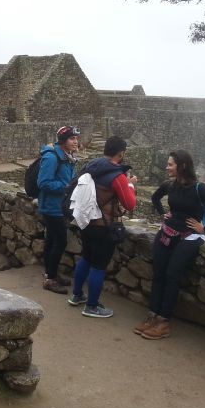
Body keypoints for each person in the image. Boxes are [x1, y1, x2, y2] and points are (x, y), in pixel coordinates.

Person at [133, 150, 205, 339]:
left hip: (189, 237)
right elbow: (155, 198)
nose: (167, 167)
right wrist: (162, 213)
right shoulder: (169, 186)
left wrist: (203, 227)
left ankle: (163, 322)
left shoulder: (200, 189)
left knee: (172, 275)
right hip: (168, 232)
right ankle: (152, 316)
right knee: (159, 273)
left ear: (182, 166)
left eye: (170, 164)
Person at [68, 136, 136, 318]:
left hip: (86, 222)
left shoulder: (91, 166)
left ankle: (76, 295)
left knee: (86, 258)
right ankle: (92, 306)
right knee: (98, 266)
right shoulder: (117, 176)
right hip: (103, 226)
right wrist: (130, 184)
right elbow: (130, 204)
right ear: (121, 153)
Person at [37, 126, 80, 294]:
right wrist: (66, 187)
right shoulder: (52, 158)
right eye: (72, 138)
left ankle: (50, 274)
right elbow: (43, 183)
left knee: (51, 240)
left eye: (76, 138)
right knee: (60, 241)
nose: (76, 141)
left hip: (60, 206)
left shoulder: (67, 157)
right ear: (63, 141)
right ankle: (51, 279)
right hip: (51, 207)